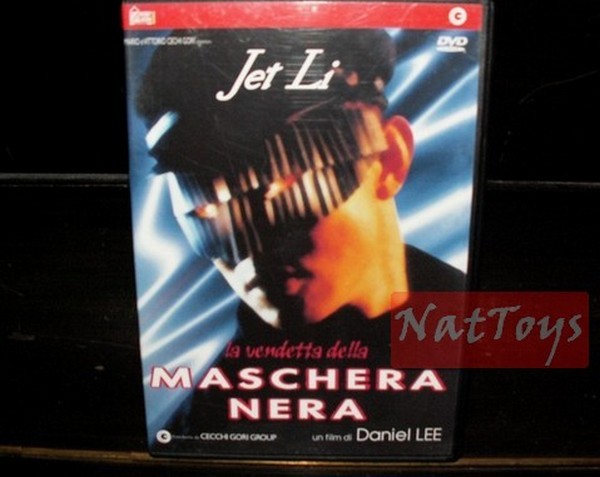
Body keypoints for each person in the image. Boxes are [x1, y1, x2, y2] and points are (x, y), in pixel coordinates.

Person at [135, 28, 465, 455]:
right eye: (207, 205)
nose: (254, 248)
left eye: (284, 179)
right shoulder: (201, 434)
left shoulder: (494, 346)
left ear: (388, 159)